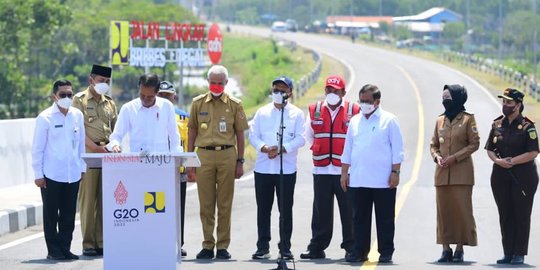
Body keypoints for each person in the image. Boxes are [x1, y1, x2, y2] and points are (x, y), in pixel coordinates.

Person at [186, 65, 249, 260]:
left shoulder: (234, 104)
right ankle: (207, 244)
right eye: (212, 82)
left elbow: (240, 134)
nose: (215, 86)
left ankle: (222, 246)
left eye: (219, 83)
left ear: (226, 83)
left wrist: (240, 161)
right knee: (206, 203)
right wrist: (189, 160)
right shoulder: (197, 103)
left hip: (227, 156)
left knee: (224, 203)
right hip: (204, 155)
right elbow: (192, 131)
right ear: (208, 82)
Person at [340, 84, 404, 263]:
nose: (364, 104)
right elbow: (348, 149)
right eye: (361, 101)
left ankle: (386, 252)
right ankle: (359, 251)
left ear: (377, 101)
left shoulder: (389, 120)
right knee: (359, 218)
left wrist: (395, 172)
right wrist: (344, 173)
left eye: (368, 101)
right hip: (359, 179)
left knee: (384, 219)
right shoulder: (355, 121)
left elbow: (397, 150)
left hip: (383, 180)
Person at [300, 75, 358, 260]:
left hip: (345, 172)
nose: (331, 93)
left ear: (343, 92)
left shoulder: (353, 110)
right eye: (329, 90)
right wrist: (320, 148)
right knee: (320, 210)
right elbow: (308, 135)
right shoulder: (315, 110)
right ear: (325, 91)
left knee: (348, 211)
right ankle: (317, 246)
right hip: (322, 169)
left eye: (335, 90)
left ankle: (352, 246)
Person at [249, 76, 306, 260]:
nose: (278, 93)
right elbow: (253, 135)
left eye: (282, 90)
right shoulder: (261, 112)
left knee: (285, 210)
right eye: (275, 89)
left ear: (290, 93)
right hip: (263, 168)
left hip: (286, 169)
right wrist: (264, 148)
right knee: (263, 209)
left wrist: (283, 149)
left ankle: (285, 247)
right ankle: (262, 246)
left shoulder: (296, 114)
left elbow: (301, 138)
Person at [32, 80, 86, 260]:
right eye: (63, 95)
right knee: (51, 215)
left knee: (69, 215)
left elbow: (81, 146)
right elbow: (37, 149)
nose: (67, 98)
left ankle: (65, 248)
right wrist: (38, 175)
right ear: (54, 96)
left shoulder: (77, 115)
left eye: (70, 94)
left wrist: (82, 168)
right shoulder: (45, 117)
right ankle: (53, 251)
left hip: (73, 174)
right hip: (51, 174)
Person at [485, 88, 539, 265]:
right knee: (505, 214)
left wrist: (513, 161)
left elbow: (533, 152)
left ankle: (519, 253)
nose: (505, 105)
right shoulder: (497, 124)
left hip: (523, 177)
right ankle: (507, 252)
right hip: (500, 175)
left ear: (518, 105)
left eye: (508, 102)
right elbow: (489, 150)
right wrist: (498, 162)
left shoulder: (527, 126)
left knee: (521, 214)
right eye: (504, 102)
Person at [429, 84, 479, 263]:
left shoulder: (468, 119)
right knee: (443, 212)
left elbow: (474, 144)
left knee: (462, 212)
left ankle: (459, 248)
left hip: (462, 174)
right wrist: (437, 157)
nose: (445, 101)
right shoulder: (439, 120)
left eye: (448, 97)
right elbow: (433, 144)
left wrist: (455, 158)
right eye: (443, 98)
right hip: (442, 174)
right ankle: (445, 249)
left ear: (457, 98)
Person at [72, 64, 117, 257]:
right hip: (89, 155)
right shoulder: (79, 101)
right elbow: (77, 131)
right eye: (101, 81)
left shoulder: (110, 103)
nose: (104, 85)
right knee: (88, 200)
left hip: (107, 154)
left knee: (106, 200)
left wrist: (114, 145)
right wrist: (96, 148)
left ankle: (101, 241)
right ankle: (88, 243)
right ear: (91, 80)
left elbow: (116, 130)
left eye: (107, 82)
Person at [106, 74, 181, 153]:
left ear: (157, 92)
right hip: (136, 161)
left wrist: (176, 157)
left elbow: (174, 137)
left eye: (150, 97)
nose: (145, 99)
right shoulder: (128, 108)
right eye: (142, 95)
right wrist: (115, 145)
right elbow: (117, 135)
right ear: (139, 90)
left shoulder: (167, 106)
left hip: (161, 161)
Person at [157, 80, 190, 257]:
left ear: (174, 96)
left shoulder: (184, 116)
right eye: (161, 96)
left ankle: (179, 243)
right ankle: (159, 242)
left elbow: (189, 143)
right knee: (157, 208)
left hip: (178, 170)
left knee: (178, 209)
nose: (164, 99)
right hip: (158, 170)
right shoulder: (152, 114)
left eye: (167, 96)